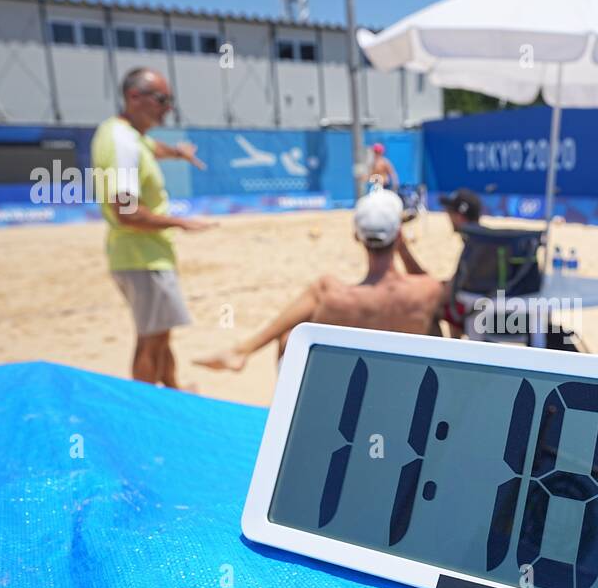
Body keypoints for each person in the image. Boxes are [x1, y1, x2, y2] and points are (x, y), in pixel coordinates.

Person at [194, 186, 445, 372]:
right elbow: (427, 282)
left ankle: (242, 350)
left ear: (356, 237)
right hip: (408, 389)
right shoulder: (426, 291)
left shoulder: (331, 296)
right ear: (399, 236)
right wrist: (401, 246)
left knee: (288, 337)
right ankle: (240, 351)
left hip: (351, 389)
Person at [93, 67, 214, 388]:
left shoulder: (123, 134)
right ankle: (145, 405)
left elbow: (151, 147)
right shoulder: (123, 142)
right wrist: (180, 222)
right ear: (134, 97)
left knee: (160, 335)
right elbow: (127, 212)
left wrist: (177, 152)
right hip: (142, 257)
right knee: (150, 339)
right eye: (161, 99)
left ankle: (172, 394)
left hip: (140, 255)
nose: (167, 107)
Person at [436, 188, 485, 338]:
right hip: (499, 304)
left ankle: (453, 351)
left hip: (478, 308)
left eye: (450, 212)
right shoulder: (486, 239)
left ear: (460, 217)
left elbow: (454, 287)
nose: (447, 216)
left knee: (437, 305)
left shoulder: (473, 244)